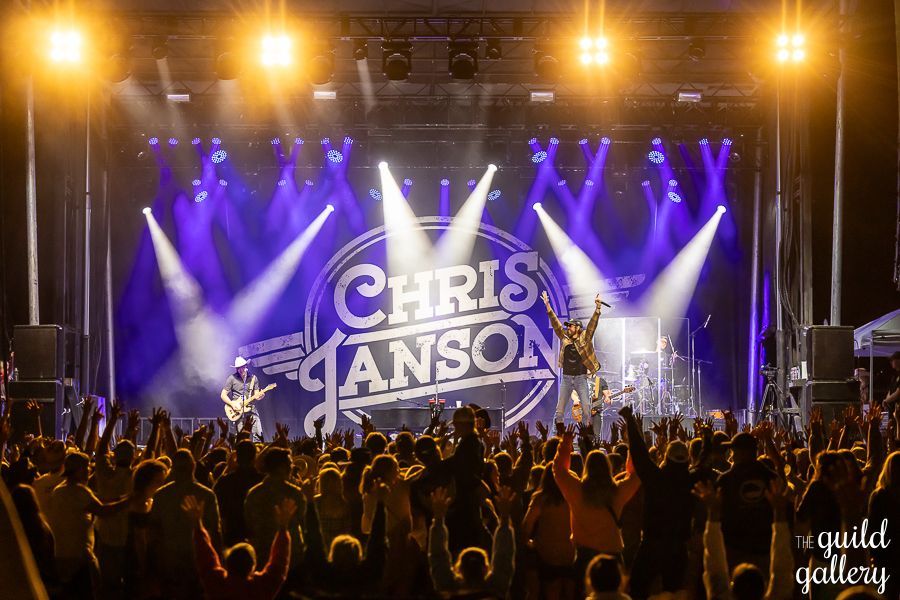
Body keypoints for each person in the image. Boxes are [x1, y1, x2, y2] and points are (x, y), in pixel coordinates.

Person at [183, 494, 295, 600]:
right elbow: (279, 563)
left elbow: (205, 557)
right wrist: (283, 528)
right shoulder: (261, 588)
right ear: (253, 566)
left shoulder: (218, 585)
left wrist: (198, 525)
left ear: (227, 563)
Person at [150, 448, 223, 599]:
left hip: (169, 561)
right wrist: (219, 564)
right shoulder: (206, 495)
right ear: (193, 467)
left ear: (173, 469)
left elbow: (154, 533)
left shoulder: (161, 495)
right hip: (199, 562)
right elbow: (215, 532)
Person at [428, 485, 516, 598]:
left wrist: (438, 519)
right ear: (486, 569)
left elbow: (437, 556)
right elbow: (504, 556)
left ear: (458, 569)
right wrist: (504, 517)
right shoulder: (495, 589)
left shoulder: (448, 590)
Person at [541, 290, 604, 429]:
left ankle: (588, 436)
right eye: (568, 326)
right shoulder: (564, 337)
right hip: (567, 378)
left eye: (571, 326)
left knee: (587, 409)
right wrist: (548, 306)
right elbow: (555, 323)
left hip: (581, 378)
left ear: (578, 328)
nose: (568, 327)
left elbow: (593, 324)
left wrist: (598, 308)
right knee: (559, 410)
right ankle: (558, 436)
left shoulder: (585, 337)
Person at [214, 440, 263, 546]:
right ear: (255, 457)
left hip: (233, 535)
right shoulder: (263, 481)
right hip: (259, 537)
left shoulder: (225, 481)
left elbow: (213, 501)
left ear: (237, 457)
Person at [221, 356, 265, 439]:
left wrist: (260, 396)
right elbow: (223, 395)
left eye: (242, 367)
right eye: (238, 368)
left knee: (258, 434)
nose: (240, 370)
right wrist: (232, 404)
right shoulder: (231, 378)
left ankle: (258, 450)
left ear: (246, 366)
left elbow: (256, 395)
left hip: (250, 408)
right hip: (237, 409)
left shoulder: (253, 378)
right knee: (240, 437)